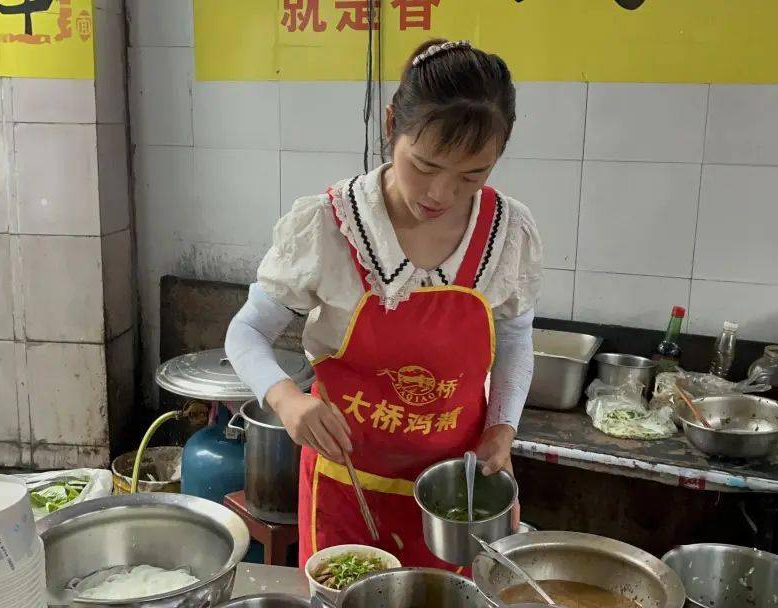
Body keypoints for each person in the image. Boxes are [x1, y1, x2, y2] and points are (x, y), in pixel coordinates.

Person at [225, 38, 542, 570]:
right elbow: (246, 332)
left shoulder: (506, 234)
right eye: (424, 164)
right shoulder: (332, 225)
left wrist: (501, 430)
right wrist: (287, 401)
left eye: (472, 175)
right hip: (347, 489)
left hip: (456, 499)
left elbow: (513, 338)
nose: (441, 193)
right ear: (393, 123)